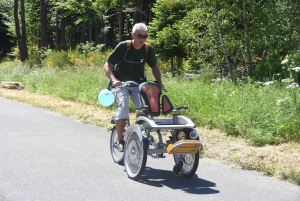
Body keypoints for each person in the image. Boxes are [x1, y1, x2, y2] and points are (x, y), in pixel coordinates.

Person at [103, 23, 164, 151]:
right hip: (120, 84)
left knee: (144, 109)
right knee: (124, 107)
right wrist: (114, 80)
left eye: (145, 36)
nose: (142, 39)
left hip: (138, 85)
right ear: (133, 35)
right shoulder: (124, 47)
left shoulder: (147, 49)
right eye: (139, 36)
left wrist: (159, 82)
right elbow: (108, 64)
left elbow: (154, 67)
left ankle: (137, 134)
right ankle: (119, 140)